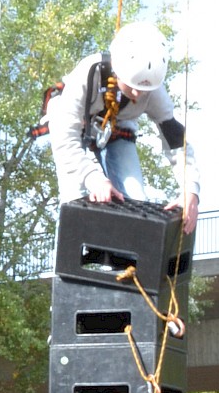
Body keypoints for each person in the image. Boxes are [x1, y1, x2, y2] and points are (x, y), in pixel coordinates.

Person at [48, 19, 200, 233]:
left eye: (145, 90)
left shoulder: (153, 89)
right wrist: (94, 178)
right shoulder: (88, 74)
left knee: (136, 198)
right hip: (73, 124)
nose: (138, 94)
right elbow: (66, 140)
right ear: (118, 71)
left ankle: (127, 260)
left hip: (117, 125)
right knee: (75, 197)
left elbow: (176, 142)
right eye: (133, 86)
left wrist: (190, 189)